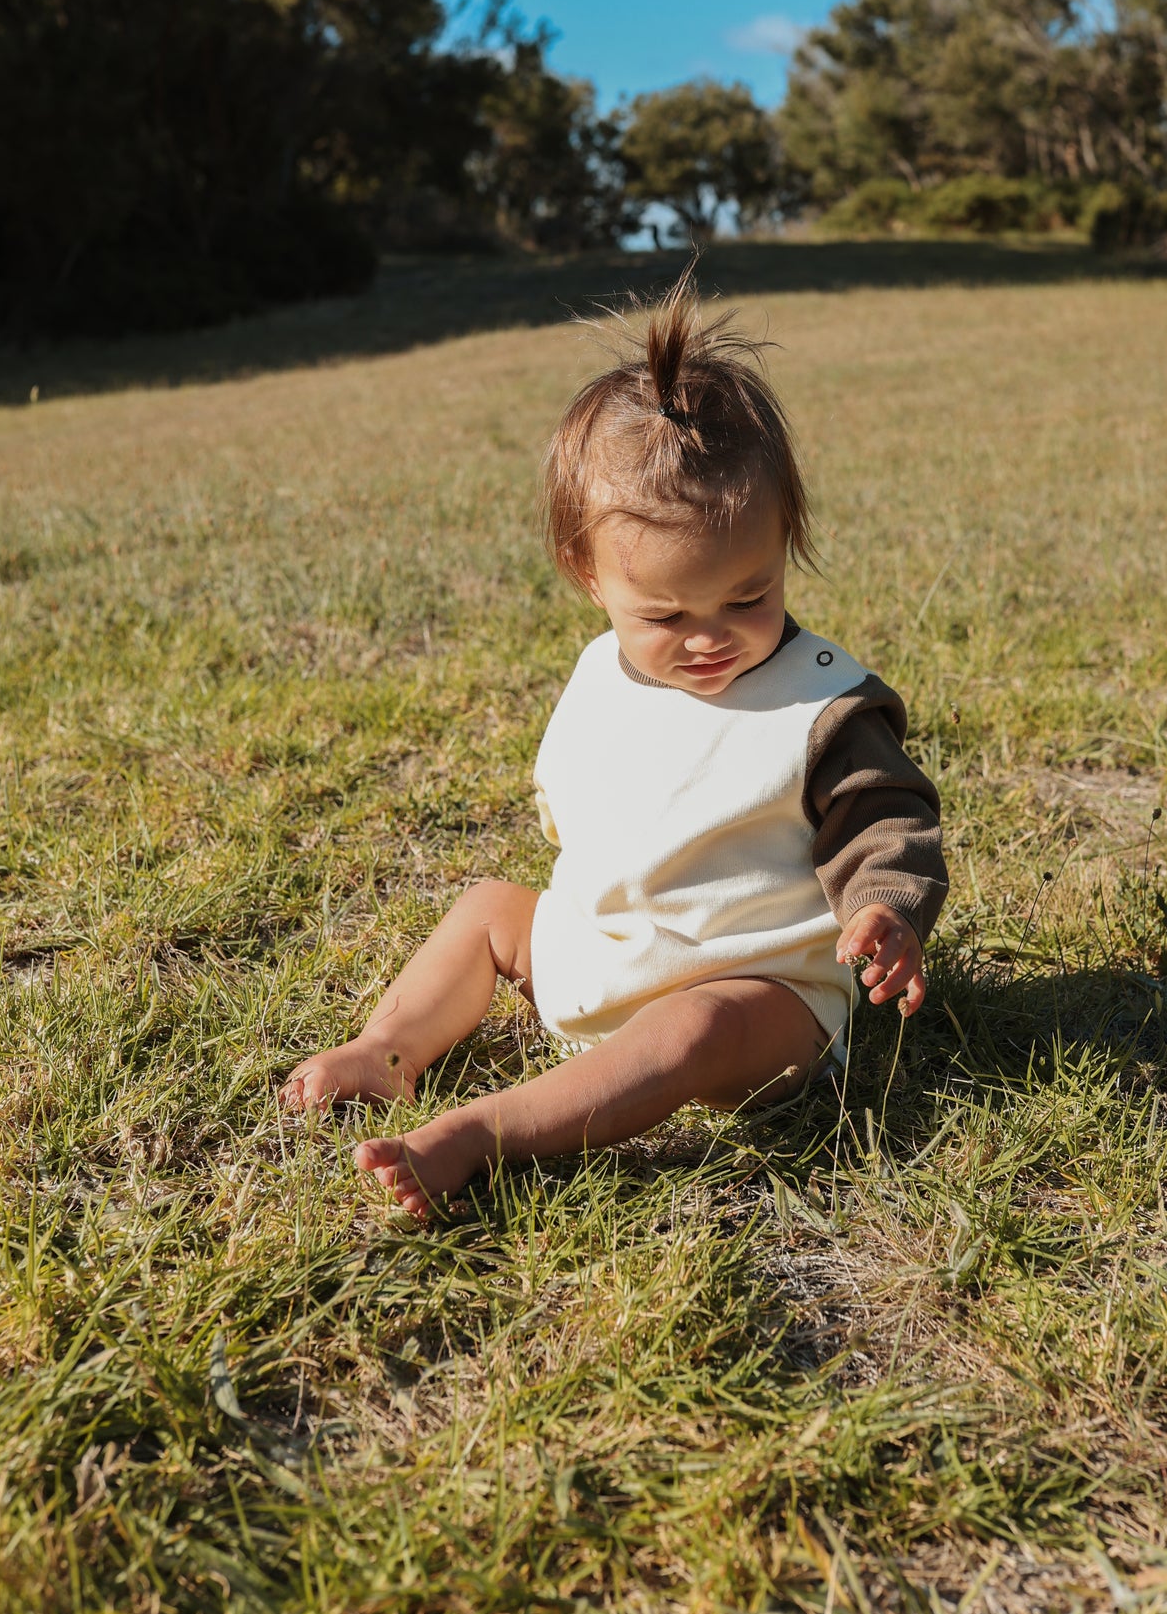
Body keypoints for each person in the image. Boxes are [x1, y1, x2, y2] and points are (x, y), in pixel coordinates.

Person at [281, 273, 947, 1215]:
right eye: (666, 613)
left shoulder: (823, 707)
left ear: (784, 545)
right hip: (610, 948)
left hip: (758, 993)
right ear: (588, 577)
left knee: (694, 1028)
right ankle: (386, 1050)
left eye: (749, 597)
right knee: (486, 908)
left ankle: (483, 1133)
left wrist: (884, 908)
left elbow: (888, 820)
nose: (711, 636)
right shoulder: (601, 675)